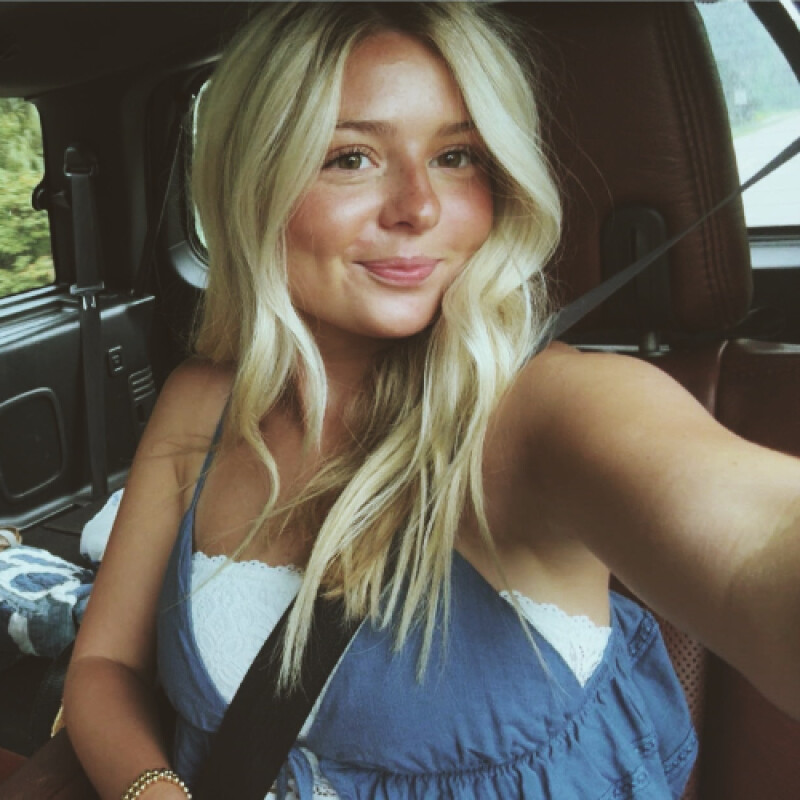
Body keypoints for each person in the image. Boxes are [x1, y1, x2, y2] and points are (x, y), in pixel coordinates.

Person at [63, 3, 800, 799]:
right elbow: (104, 665)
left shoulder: (549, 410)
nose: (419, 206)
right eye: (351, 157)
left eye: (456, 156)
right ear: (253, 182)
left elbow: (760, 544)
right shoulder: (202, 404)